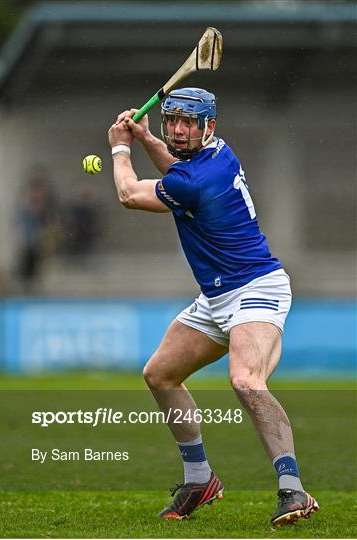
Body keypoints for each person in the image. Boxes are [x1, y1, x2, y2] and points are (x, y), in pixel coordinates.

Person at [108, 87, 319, 526]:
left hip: (257, 288)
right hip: (217, 297)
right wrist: (148, 140)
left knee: (245, 379)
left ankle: (293, 489)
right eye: (174, 121)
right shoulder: (215, 156)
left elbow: (130, 194)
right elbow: (176, 173)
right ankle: (199, 479)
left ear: (210, 126)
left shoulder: (197, 179)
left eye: (190, 123)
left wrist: (121, 149)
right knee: (160, 374)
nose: (180, 131)